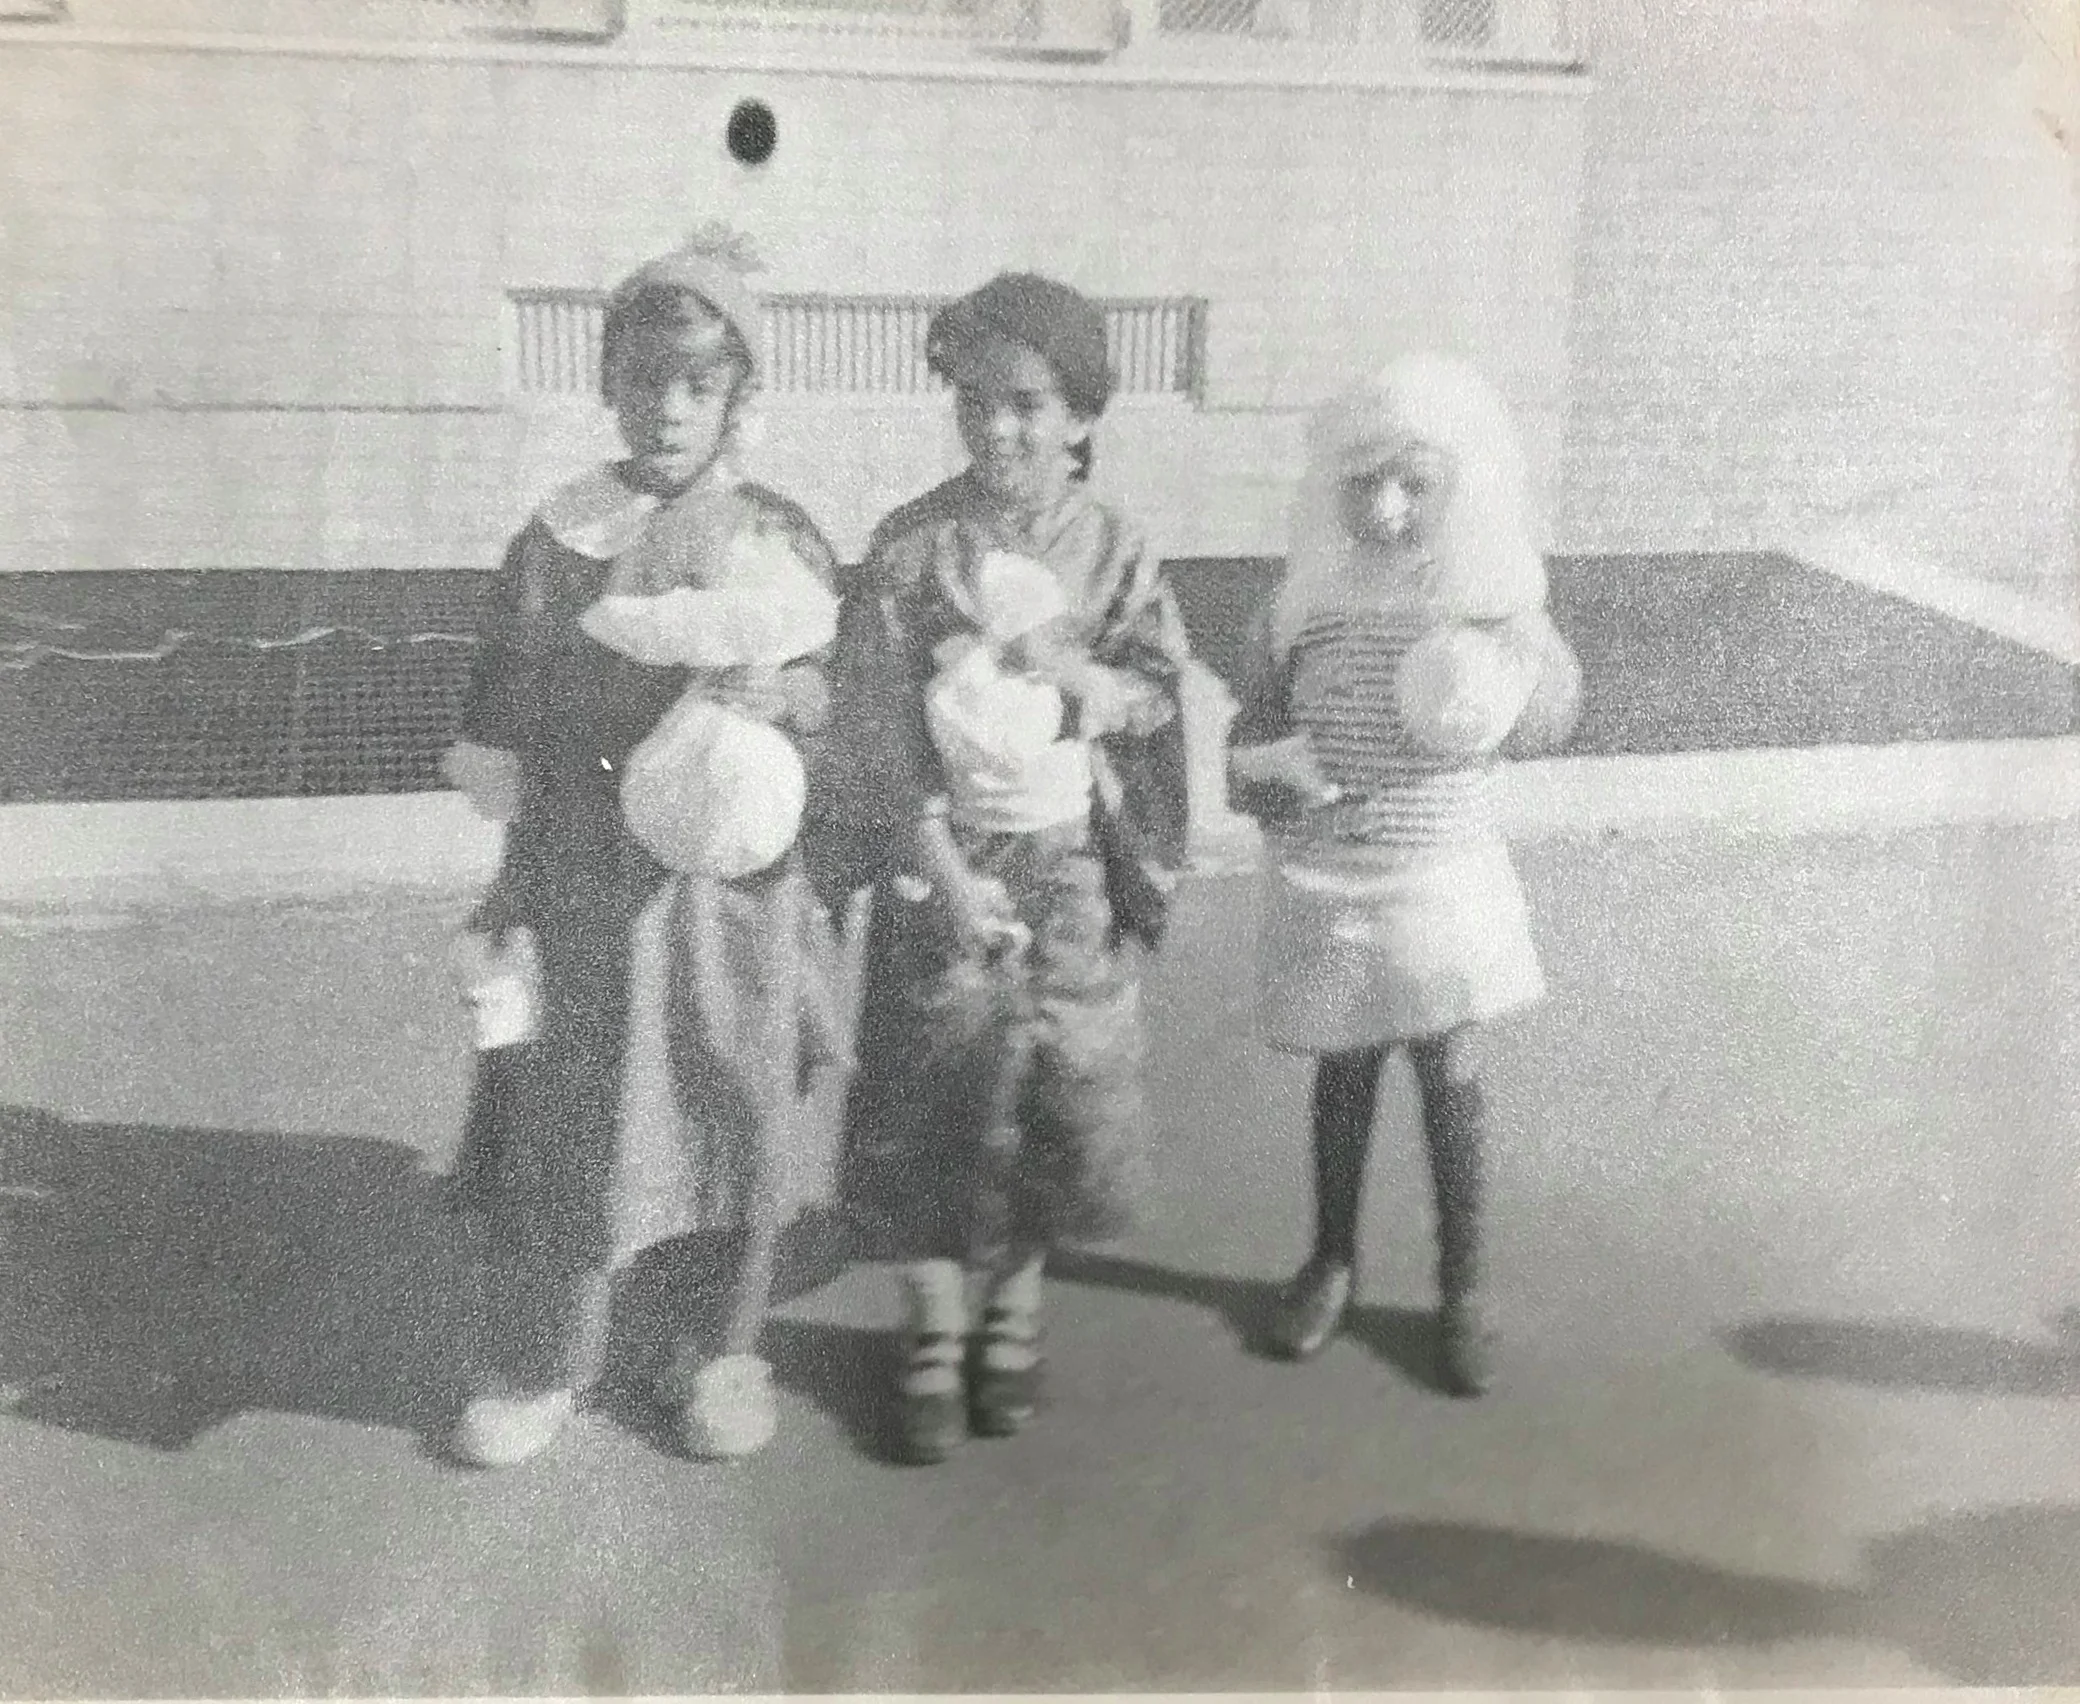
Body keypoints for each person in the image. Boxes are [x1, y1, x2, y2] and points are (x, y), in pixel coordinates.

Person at [440, 227, 851, 1468]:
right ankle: (549, 1359)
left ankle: (714, 1349)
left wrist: (792, 704)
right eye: (642, 380)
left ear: (737, 399)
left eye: (698, 385)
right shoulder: (562, 533)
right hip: (588, 869)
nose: (667, 410)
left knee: (725, 1098)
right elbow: (504, 685)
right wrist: (516, 823)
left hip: (724, 887)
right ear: (608, 383)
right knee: (582, 1105)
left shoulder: (773, 532)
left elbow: (834, 686)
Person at [821, 272, 1192, 1465]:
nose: (1000, 429)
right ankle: (932, 1326)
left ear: (1081, 415)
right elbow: (873, 730)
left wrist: (1100, 688)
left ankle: (1014, 1311)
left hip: (1067, 860)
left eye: (1029, 404)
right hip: (946, 862)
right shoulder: (910, 548)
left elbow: (1158, 700)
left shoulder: (1117, 550)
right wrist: (933, 857)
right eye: (977, 402)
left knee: (1056, 1095)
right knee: (931, 1091)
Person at [1226, 352, 1582, 1397]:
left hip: (1440, 872)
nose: (1383, 509)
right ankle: (1330, 1260)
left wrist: (1508, 680)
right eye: (1361, 484)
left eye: (1412, 485)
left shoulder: (1485, 587)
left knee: (1448, 1069)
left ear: (1456, 484)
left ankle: (1462, 1285)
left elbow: (1556, 710)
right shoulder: (1305, 600)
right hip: (1335, 871)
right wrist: (1263, 774)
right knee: (1344, 1068)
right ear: (1329, 486)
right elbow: (1255, 722)